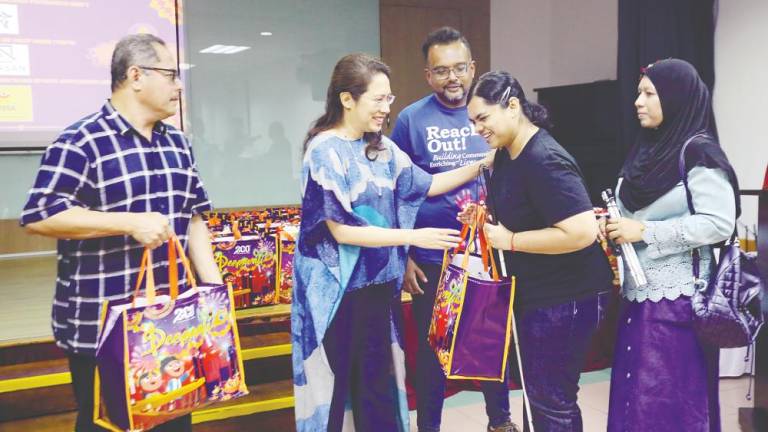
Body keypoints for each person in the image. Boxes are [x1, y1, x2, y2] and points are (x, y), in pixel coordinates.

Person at [20, 34, 222, 432]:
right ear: (135, 76)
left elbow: (194, 216)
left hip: (173, 327)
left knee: (174, 422)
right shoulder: (82, 140)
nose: (179, 85)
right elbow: (40, 214)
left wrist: (214, 288)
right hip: (102, 328)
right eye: (170, 75)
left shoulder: (179, 144)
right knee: (108, 425)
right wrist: (130, 222)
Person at [291, 52, 493, 432]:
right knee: (332, 391)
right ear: (347, 99)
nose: (387, 108)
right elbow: (341, 229)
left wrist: (483, 162)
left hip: (378, 289)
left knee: (379, 388)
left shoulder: (383, 148)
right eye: (378, 99)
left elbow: (427, 184)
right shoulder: (323, 151)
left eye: (389, 99)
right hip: (334, 295)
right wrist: (413, 237)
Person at [464, 70, 613, 431]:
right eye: (472, 121)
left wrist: (511, 240)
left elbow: (580, 232)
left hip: (566, 297)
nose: (476, 129)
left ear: (512, 106)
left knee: (552, 401)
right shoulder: (505, 154)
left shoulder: (544, 159)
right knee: (540, 396)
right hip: (538, 295)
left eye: (483, 118)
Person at [390, 27, 515, 432]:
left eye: (460, 68)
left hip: (489, 251)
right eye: (441, 70)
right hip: (432, 255)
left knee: (491, 341)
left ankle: (501, 422)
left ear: (473, 68)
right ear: (428, 75)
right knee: (432, 354)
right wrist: (405, 254)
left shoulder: (492, 112)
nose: (452, 78)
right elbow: (397, 194)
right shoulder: (410, 120)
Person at [604, 58, 739, 432]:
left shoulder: (699, 153)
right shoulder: (645, 150)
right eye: (638, 93)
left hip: (678, 305)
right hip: (637, 299)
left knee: (671, 404)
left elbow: (718, 222)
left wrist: (643, 231)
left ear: (676, 98)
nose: (638, 102)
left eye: (649, 93)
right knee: (637, 403)